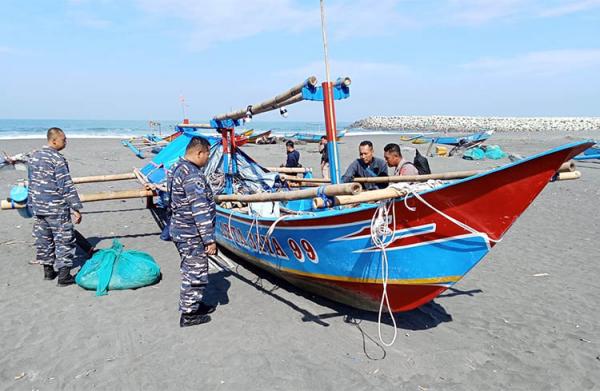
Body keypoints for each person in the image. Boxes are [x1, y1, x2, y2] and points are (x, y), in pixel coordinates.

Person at [167, 136, 217, 327]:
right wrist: (209, 240)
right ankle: (189, 314)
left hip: (180, 229)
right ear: (199, 152)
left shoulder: (177, 168)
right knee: (195, 272)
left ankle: (194, 304)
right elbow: (200, 210)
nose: (207, 159)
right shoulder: (192, 175)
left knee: (190, 268)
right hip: (191, 233)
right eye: (207, 155)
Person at [28, 127, 82, 286]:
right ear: (54, 140)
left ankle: (48, 272)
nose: (66, 142)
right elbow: (65, 185)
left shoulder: (34, 156)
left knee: (44, 239)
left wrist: (31, 204)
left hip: (38, 207)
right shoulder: (57, 159)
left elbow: (31, 182)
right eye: (64, 139)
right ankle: (64, 277)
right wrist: (76, 208)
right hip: (56, 208)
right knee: (63, 240)